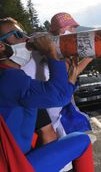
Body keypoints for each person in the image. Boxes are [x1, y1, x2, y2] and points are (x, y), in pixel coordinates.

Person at [0, 17, 94, 171]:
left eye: (24, 33)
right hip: (17, 166)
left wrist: (70, 81)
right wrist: (51, 52)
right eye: (17, 35)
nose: (26, 38)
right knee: (82, 141)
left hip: (16, 159)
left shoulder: (11, 77)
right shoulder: (10, 78)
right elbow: (60, 96)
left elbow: (58, 95)